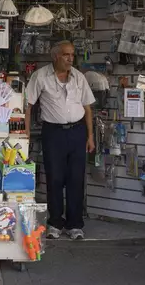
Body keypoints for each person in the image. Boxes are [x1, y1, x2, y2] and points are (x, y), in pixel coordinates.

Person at [25, 40, 95, 240]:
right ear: (55, 56)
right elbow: (28, 106)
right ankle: (55, 222)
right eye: (66, 55)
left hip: (77, 131)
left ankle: (74, 225)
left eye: (72, 55)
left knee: (76, 178)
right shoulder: (40, 76)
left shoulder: (79, 77)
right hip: (53, 132)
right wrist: (26, 133)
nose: (70, 59)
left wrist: (90, 136)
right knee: (54, 178)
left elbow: (88, 108)